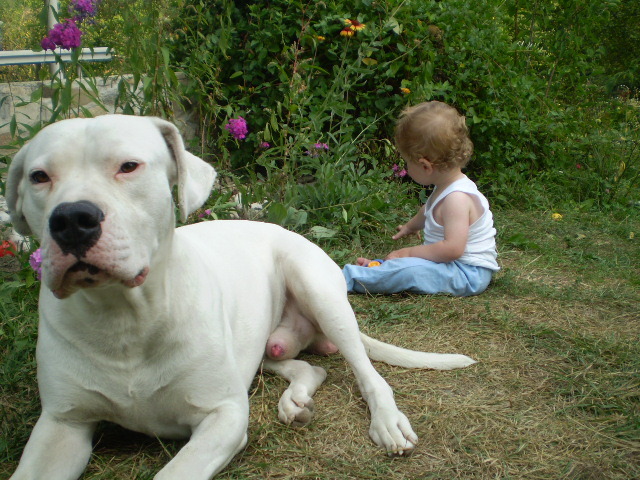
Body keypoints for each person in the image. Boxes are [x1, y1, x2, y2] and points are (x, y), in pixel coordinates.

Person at [343, 101, 499, 296]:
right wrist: (411, 226)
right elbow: (429, 209)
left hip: (466, 273)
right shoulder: (446, 188)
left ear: (425, 166)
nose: (406, 168)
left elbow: (452, 249)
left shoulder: (457, 199)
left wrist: (406, 253)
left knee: (411, 271)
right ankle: (377, 270)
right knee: (412, 267)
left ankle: (345, 278)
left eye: (407, 162)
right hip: (449, 266)